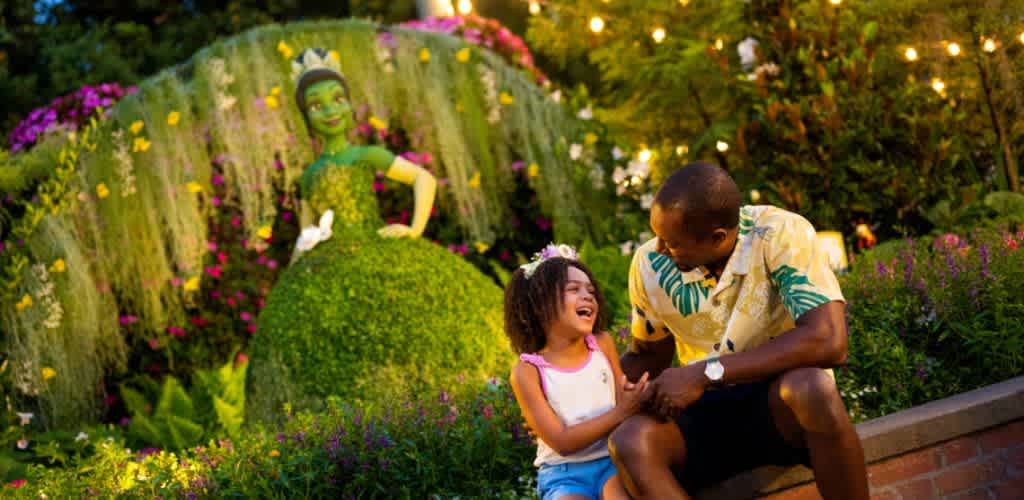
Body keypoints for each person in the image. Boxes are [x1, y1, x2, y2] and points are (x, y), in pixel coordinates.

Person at [246, 48, 507, 420]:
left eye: (338, 100)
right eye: (317, 106)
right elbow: (310, 228)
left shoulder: (364, 155)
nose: (330, 110)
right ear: (307, 119)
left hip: (375, 244)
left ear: (351, 106)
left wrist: (414, 228)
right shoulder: (308, 176)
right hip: (326, 263)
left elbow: (423, 178)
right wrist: (295, 273)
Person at [609, 162, 869, 499]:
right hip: (704, 417)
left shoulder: (780, 232)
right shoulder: (649, 264)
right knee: (630, 441)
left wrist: (703, 374)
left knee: (812, 388)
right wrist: (589, 397)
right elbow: (649, 353)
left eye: (672, 242)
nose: (658, 248)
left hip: (779, 406)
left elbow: (829, 340)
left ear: (719, 237)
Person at [506, 244, 649, 500]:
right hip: (564, 473)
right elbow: (562, 442)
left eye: (590, 290)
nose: (588, 296)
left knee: (618, 495)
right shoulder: (527, 371)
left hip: (611, 460)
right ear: (540, 304)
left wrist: (637, 396)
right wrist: (622, 411)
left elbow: (621, 398)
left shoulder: (601, 343)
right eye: (574, 289)